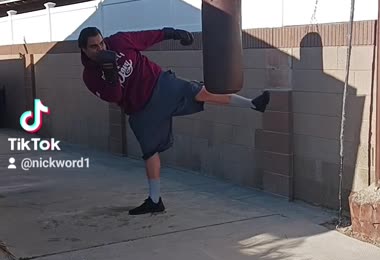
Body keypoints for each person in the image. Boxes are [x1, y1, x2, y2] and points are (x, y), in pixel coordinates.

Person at [78, 27, 270, 215]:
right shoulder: (90, 77)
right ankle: (155, 200)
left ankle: (253, 104)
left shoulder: (119, 42)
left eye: (101, 42)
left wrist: (174, 33)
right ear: (84, 50)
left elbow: (148, 37)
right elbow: (114, 96)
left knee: (200, 92)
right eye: (94, 47)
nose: (101, 48)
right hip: (141, 110)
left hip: (160, 84)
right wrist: (110, 73)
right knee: (150, 152)